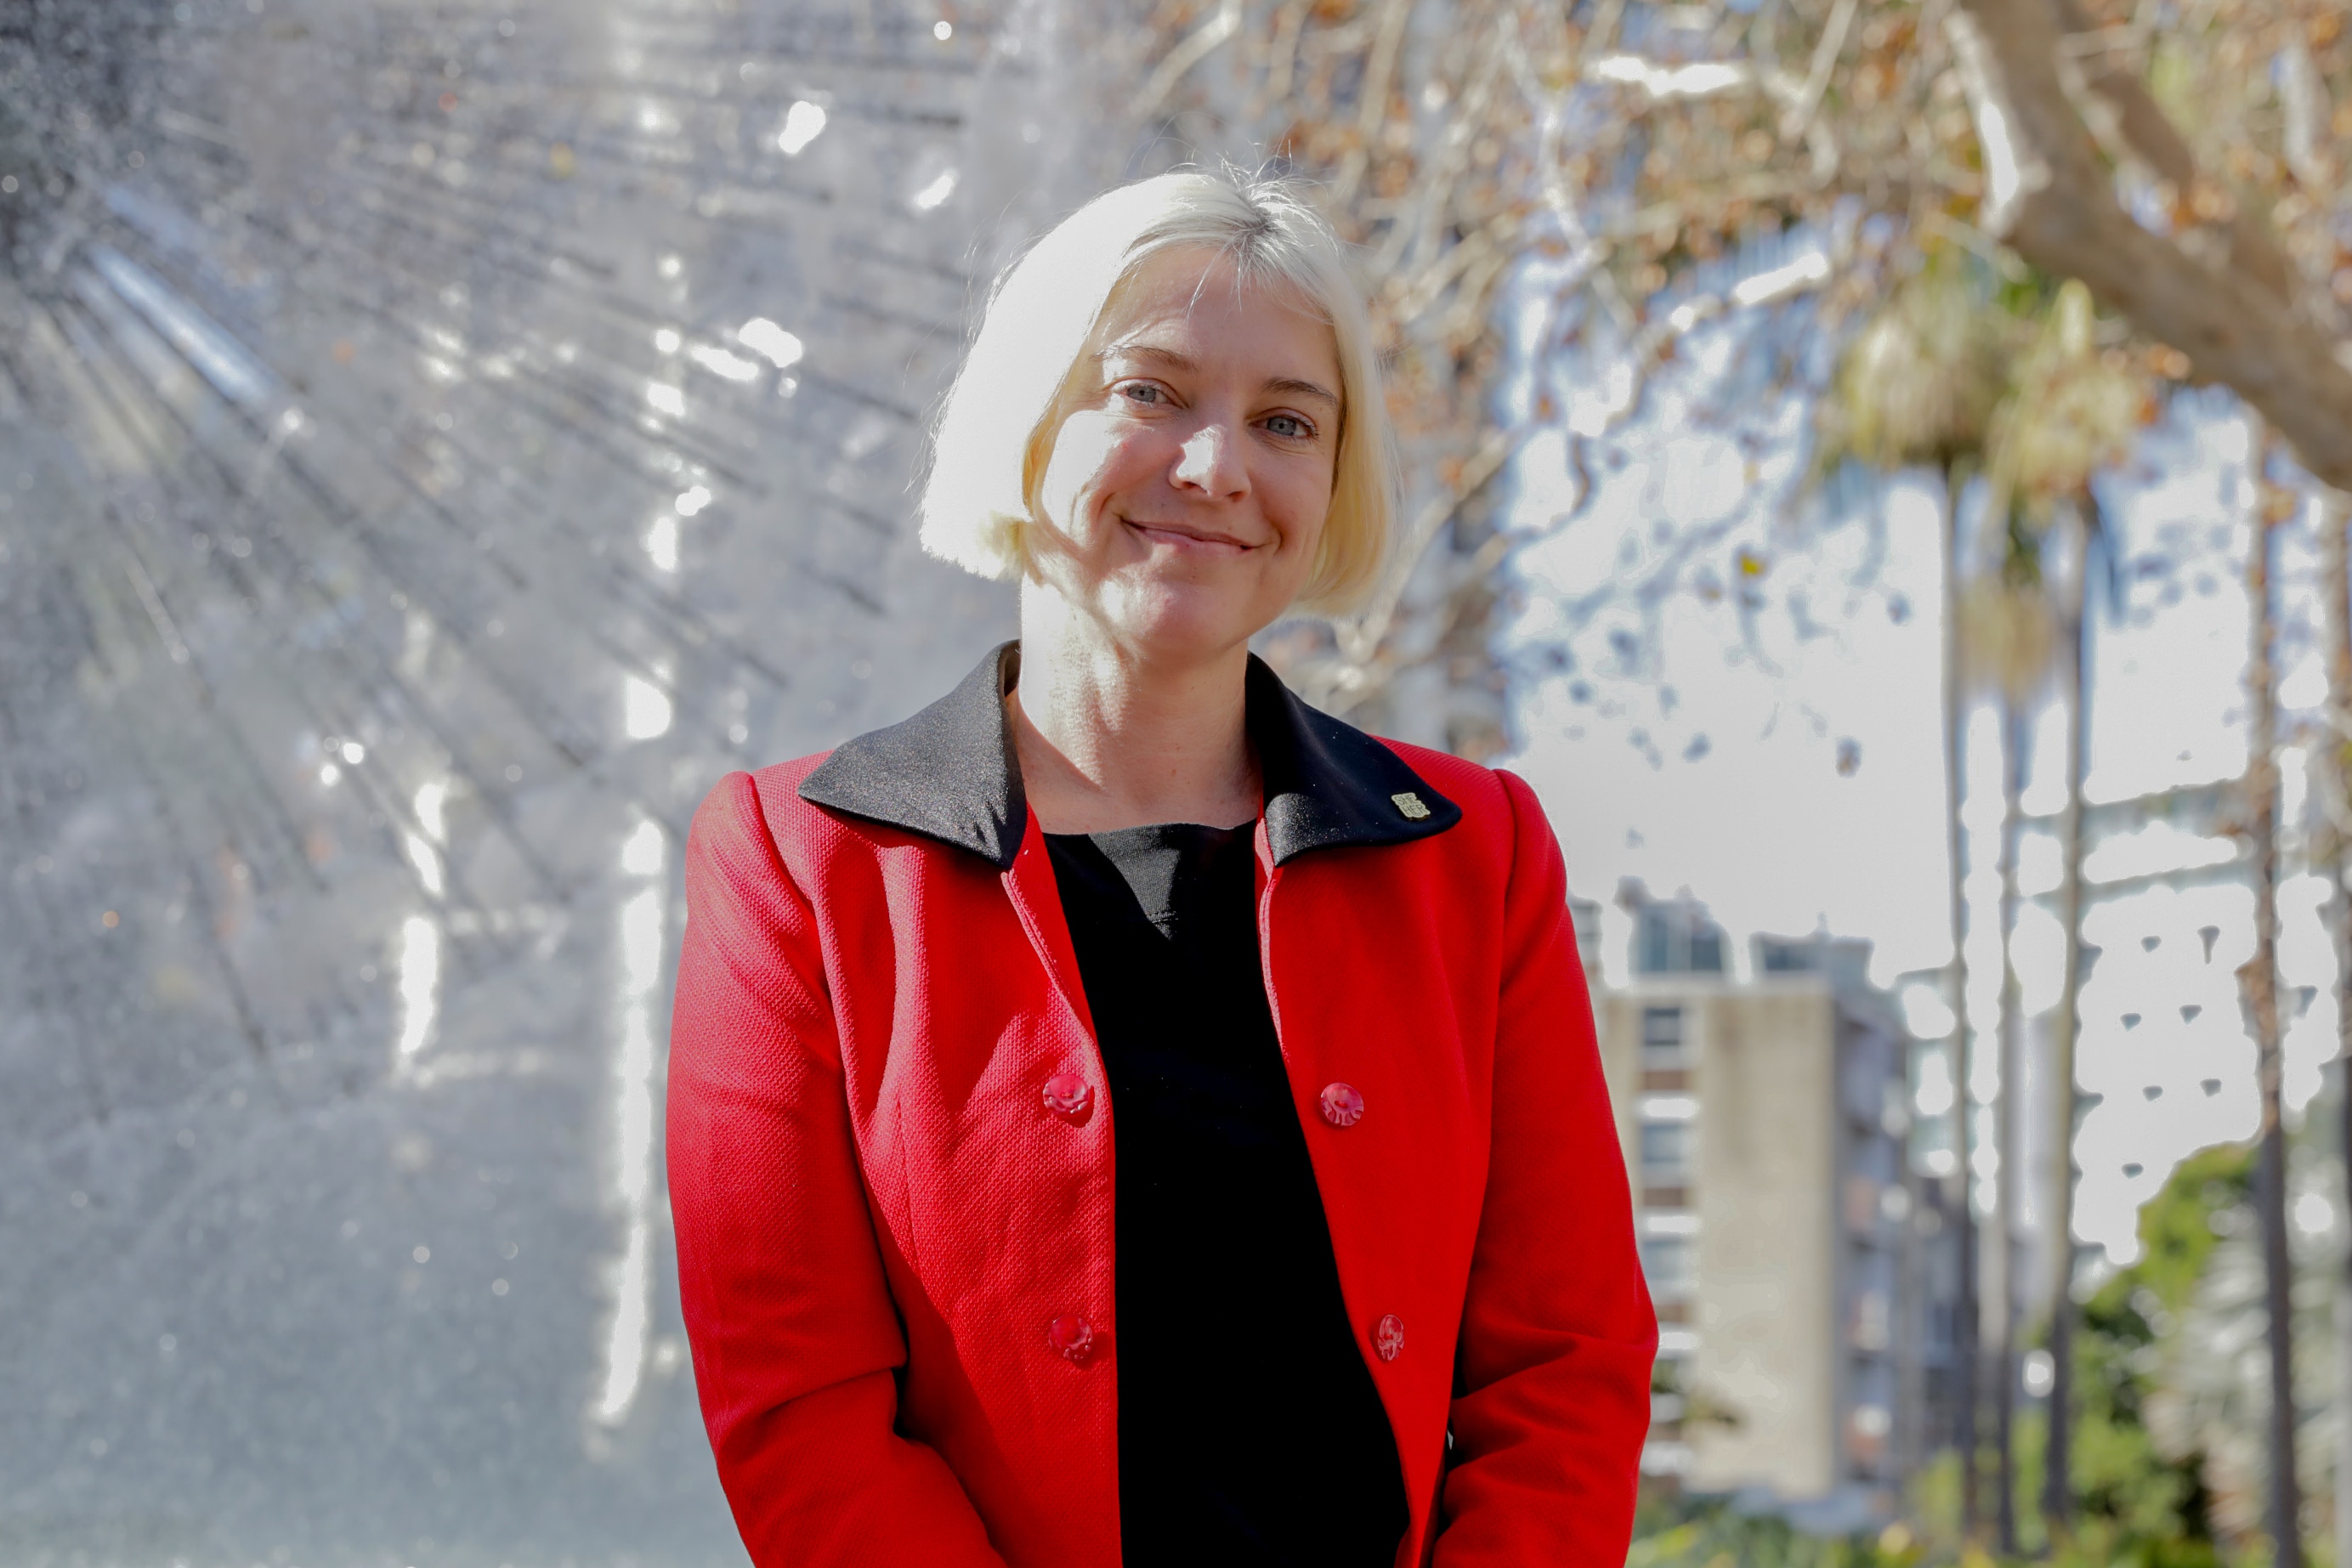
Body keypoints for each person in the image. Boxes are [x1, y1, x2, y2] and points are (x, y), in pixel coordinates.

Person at [666, 168, 1653, 1568]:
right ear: (1027, 415)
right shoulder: (798, 860)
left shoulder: (1478, 857)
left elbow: (1566, 1366)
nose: (1217, 466)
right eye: (1150, 391)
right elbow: (800, 1405)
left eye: (1286, 421)